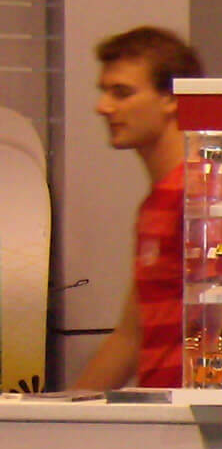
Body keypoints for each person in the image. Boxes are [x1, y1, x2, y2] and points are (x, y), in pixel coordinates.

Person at [70, 26, 202, 392]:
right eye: (105, 92)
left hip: (191, 425)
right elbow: (130, 336)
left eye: (122, 93)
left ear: (172, 99)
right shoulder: (158, 201)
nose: (104, 107)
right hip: (158, 421)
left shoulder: (203, 197)